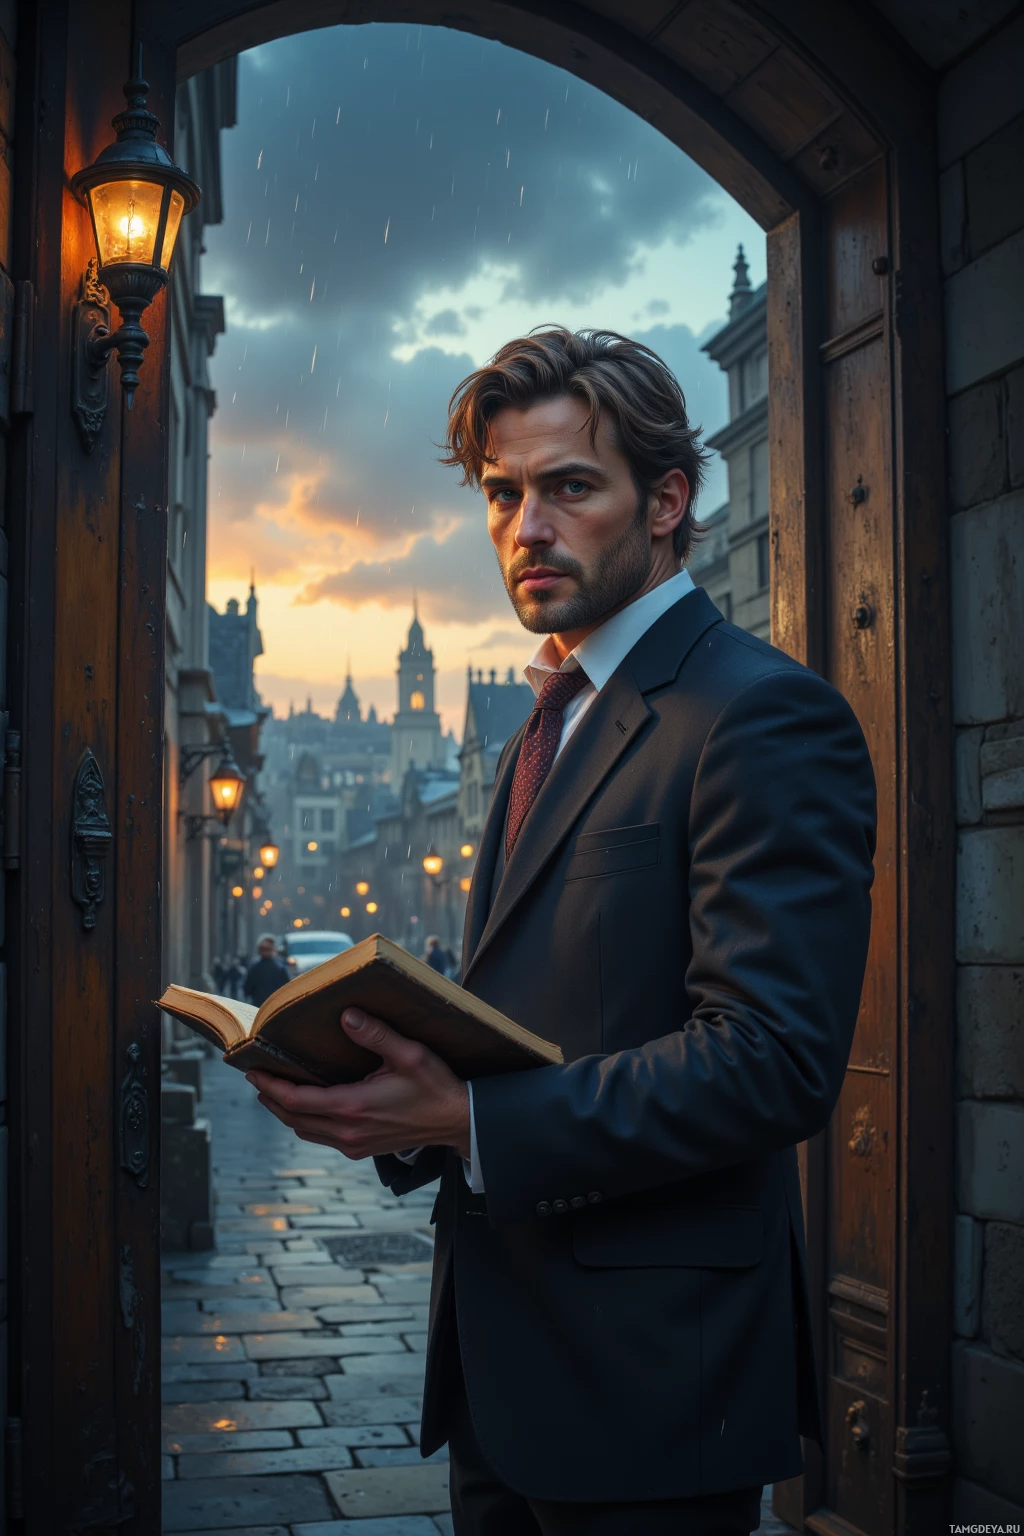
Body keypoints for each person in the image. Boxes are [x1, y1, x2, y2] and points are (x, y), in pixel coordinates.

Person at [248, 328, 877, 1535]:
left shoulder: (759, 714)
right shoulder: (556, 712)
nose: (525, 527)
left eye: (569, 486)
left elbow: (773, 1061)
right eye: (502, 493)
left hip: (651, 1378)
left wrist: (471, 1117)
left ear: (667, 500)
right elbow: (540, 1011)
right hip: (498, 1361)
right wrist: (391, 1097)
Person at [243, 935, 290, 1008]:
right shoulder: (280, 968)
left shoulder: (254, 968)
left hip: (258, 1009)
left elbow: (247, 989)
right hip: (275, 1008)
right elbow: (287, 990)